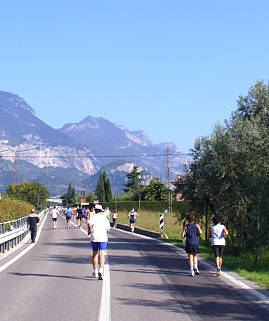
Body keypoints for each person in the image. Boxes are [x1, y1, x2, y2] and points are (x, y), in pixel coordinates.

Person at [88, 204, 110, 280]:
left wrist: (89, 231)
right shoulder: (105, 218)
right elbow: (108, 229)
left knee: (95, 254)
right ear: (101, 211)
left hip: (94, 236)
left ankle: (95, 271)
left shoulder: (92, 217)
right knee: (102, 254)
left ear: (95, 210)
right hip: (103, 237)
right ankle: (101, 269)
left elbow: (90, 225)